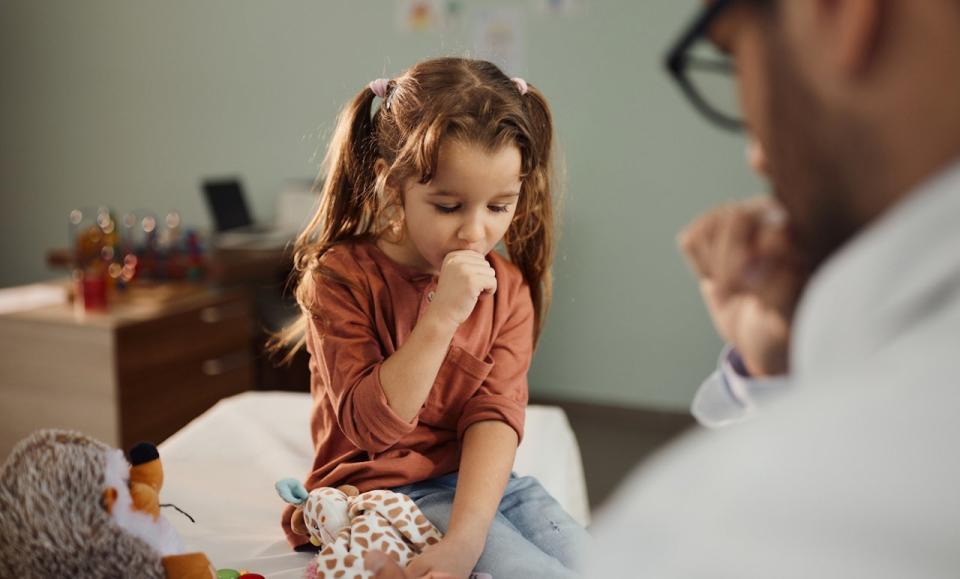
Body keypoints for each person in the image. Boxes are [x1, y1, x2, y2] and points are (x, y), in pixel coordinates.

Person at [275, 57, 588, 579]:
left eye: (498, 207)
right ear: (391, 187)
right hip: (385, 487)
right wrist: (441, 317)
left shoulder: (507, 288)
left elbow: (495, 416)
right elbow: (371, 428)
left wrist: (467, 537)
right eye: (448, 207)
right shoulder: (340, 278)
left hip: (481, 486)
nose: (476, 234)